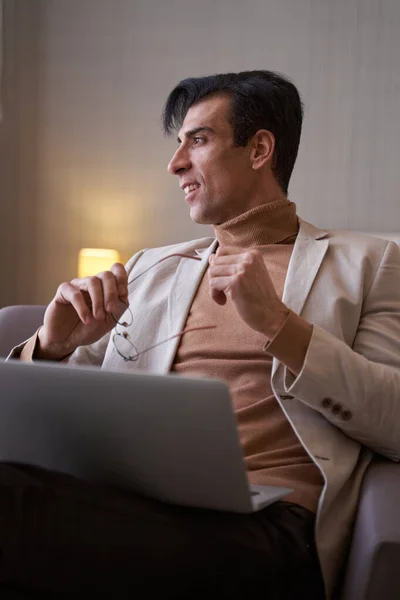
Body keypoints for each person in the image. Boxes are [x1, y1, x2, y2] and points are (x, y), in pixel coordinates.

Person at [5, 70, 400, 600]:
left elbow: (393, 419)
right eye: (177, 145)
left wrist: (281, 327)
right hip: (133, 504)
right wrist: (50, 348)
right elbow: (63, 419)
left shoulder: (370, 264)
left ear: (259, 148)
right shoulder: (149, 267)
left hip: (264, 533)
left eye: (198, 140)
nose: (175, 165)